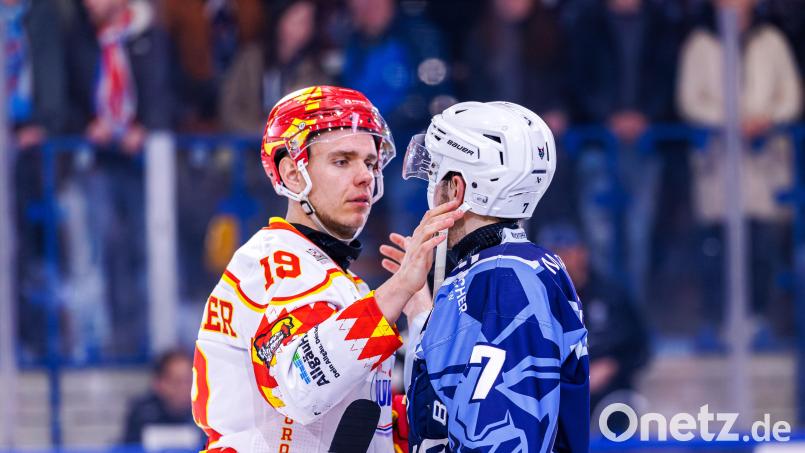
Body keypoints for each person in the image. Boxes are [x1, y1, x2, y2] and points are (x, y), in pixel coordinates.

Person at [191, 85, 463, 452]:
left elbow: (380, 428)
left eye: (370, 162)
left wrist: (419, 318)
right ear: (291, 174)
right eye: (342, 160)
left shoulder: (339, 281)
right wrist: (397, 289)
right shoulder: (275, 262)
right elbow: (301, 386)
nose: (366, 176)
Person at [384, 101, 589, 452]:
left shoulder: (505, 278)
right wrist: (422, 313)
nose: (430, 188)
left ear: (457, 189)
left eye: (436, 173)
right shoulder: (495, 271)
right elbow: (450, 403)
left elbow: (504, 436)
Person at [677, 0, 802, 348]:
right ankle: (716, 324)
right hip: (719, 161)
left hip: (764, 163)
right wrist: (730, 121)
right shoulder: (700, 44)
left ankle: (756, 321)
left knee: (761, 244)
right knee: (717, 247)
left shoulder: (771, 41)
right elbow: (690, 100)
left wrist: (766, 119)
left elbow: (790, 94)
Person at [538, 222, 650, 417]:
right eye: (552, 254)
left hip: (607, 396)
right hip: (553, 394)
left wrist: (612, 365)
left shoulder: (611, 296)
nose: (558, 261)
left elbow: (639, 348)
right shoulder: (536, 299)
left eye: (564, 252)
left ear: (582, 253)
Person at [122, 349, 197, 445]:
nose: (184, 389)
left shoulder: (206, 416)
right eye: (177, 382)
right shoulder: (142, 413)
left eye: (188, 381)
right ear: (158, 383)